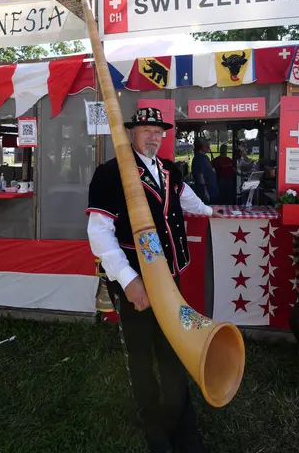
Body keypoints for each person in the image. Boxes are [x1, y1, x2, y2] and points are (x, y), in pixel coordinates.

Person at [87, 107, 224, 453]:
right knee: (140, 353)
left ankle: (181, 422)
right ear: (132, 132)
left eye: (158, 131)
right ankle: (152, 424)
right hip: (137, 283)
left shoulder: (168, 169)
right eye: (146, 130)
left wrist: (209, 211)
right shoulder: (110, 173)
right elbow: (99, 234)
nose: (153, 136)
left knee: (173, 346)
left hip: (171, 278)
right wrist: (129, 281)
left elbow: (184, 197)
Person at [191, 138, 217, 204]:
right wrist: (205, 192)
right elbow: (200, 176)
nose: (208, 146)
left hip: (211, 191)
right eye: (206, 145)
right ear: (201, 146)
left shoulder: (205, 157)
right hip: (205, 194)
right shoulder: (198, 158)